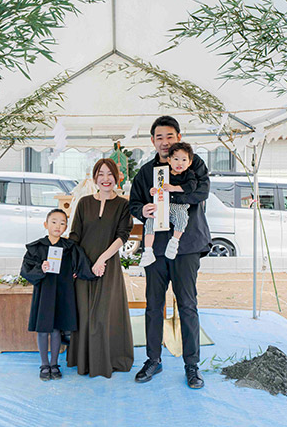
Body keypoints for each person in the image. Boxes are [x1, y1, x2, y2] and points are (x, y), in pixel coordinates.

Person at [129, 116, 211, 389]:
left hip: (186, 246)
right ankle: (153, 359)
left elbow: (200, 193)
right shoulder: (145, 172)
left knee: (187, 304)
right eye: (159, 138)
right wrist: (143, 209)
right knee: (153, 305)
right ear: (152, 141)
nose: (165, 142)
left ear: (179, 136)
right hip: (156, 249)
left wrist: (168, 196)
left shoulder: (193, 163)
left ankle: (192, 365)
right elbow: (134, 204)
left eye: (170, 136)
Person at [67, 159, 134, 378]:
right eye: (101, 174)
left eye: (110, 174)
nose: (106, 179)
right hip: (83, 266)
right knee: (84, 313)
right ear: (94, 178)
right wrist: (76, 264)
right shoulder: (84, 202)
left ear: (117, 177)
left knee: (104, 314)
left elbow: (122, 236)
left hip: (108, 265)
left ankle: (108, 360)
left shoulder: (124, 205)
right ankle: (84, 361)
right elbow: (75, 235)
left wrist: (102, 260)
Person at [20, 209, 100, 381]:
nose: (58, 226)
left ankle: (54, 364)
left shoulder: (70, 248)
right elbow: (25, 270)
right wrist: (40, 268)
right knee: (43, 329)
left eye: (62, 222)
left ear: (66, 227)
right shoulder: (37, 248)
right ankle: (44, 364)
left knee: (56, 329)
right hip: (44, 293)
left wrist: (93, 271)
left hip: (62, 293)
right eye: (54, 221)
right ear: (46, 224)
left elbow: (82, 266)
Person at [138, 141, 197, 267]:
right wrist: (152, 191)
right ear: (169, 160)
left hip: (179, 207)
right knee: (150, 219)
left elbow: (191, 187)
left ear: (189, 162)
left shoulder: (189, 175)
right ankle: (148, 251)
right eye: (176, 159)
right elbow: (158, 189)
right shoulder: (163, 173)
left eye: (184, 159)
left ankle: (174, 242)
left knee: (182, 217)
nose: (179, 163)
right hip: (163, 205)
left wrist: (174, 188)